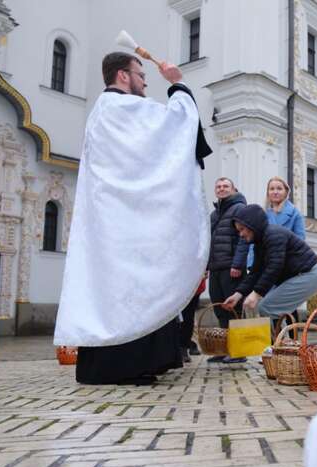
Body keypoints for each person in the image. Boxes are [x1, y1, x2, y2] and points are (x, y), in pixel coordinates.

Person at [54, 52, 211, 386]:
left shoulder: (102, 110)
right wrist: (177, 84)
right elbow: (177, 125)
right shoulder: (123, 108)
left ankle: (132, 364)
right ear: (123, 75)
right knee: (134, 287)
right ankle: (125, 367)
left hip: (112, 221)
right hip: (126, 222)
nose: (144, 82)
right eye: (141, 75)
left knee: (118, 291)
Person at [221, 205, 317, 322]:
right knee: (262, 306)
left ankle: (279, 334)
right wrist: (238, 295)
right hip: (300, 275)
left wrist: (256, 294)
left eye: (242, 229)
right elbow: (256, 272)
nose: (240, 234)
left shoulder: (274, 235)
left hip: (310, 274)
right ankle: (281, 334)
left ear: (252, 224)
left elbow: (274, 266)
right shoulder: (260, 243)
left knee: (266, 307)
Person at [208, 177, 248, 364]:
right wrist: (206, 267)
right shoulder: (214, 214)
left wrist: (238, 264)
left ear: (233, 189)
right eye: (218, 186)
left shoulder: (239, 208)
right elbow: (209, 242)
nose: (222, 189)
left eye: (226, 186)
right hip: (216, 268)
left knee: (234, 309)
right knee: (220, 309)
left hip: (232, 268)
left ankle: (238, 352)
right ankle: (225, 348)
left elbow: (244, 239)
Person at [237, 176, 306, 270]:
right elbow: (253, 241)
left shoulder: (295, 214)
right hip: (263, 262)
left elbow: (300, 242)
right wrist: (251, 263)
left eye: (279, 189)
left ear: (286, 192)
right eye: (272, 189)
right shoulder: (261, 214)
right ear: (268, 192)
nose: (275, 192)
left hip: (286, 263)